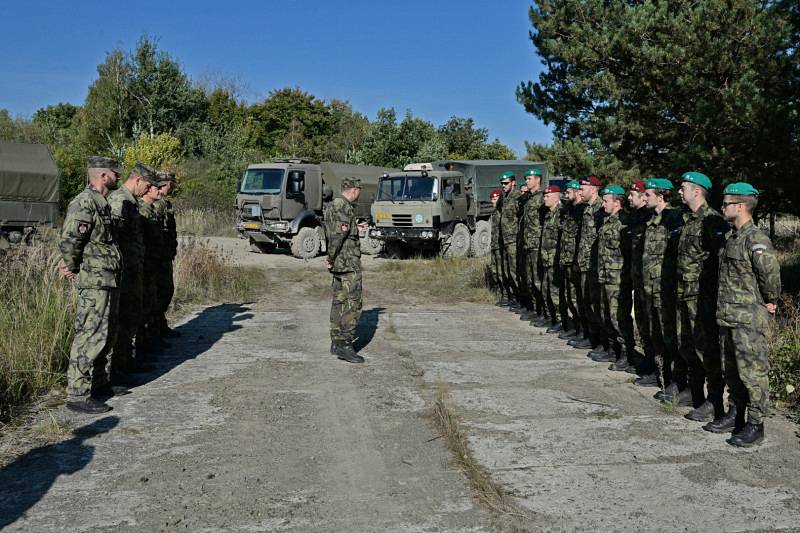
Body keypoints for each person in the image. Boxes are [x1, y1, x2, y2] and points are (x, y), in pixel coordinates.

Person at [705, 182, 780, 447]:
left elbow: (770, 278)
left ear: (740, 206)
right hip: (727, 315)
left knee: (753, 373)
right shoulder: (730, 238)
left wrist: (770, 301)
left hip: (748, 319)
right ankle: (736, 413)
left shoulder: (756, 239)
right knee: (732, 372)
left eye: (725, 204)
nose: (722, 208)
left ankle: (756, 424)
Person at [58, 157, 123, 414]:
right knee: (90, 334)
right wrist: (72, 268)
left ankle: (99, 383)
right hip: (94, 280)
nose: (119, 177)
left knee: (106, 333)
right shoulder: (84, 202)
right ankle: (77, 392)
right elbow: (70, 240)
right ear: (103, 176)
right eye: (115, 174)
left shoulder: (102, 204)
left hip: (107, 278)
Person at [675, 172, 728, 422]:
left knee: (705, 349)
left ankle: (714, 400)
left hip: (702, 296)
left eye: (683, 187)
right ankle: (693, 391)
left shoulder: (712, 220)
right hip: (684, 293)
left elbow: (721, 261)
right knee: (686, 344)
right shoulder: (688, 219)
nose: (678, 191)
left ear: (697, 191)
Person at [107, 162, 160, 381]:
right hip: (124, 270)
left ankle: (126, 363)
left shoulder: (131, 201)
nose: (148, 190)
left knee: (131, 317)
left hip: (133, 268)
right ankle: (118, 371)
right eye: (146, 185)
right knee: (123, 319)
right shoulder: (120, 200)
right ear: (137, 180)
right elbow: (114, 238)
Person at [638, 179, 685, 397]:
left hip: (666, 290)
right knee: (655, 334)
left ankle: (677, 380)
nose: (644, 197)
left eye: (647, 194)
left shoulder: (674, 219)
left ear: (661, 196)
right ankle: (661, 374)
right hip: (650, 288)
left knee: (670, 337)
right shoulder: (653, 219)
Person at [325, 177, 368, 364]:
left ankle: (336, 341)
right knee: (353, 303)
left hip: (339, 264)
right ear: (353, 190)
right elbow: (338, 235)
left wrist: (355, 228)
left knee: (339, 300)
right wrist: (331, 257)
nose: (359, 193)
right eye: (359, 190)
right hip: (347, 263)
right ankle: (346, 344)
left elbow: (340, 229)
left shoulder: (334, 205)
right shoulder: (342, 206)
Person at [593, 184, 636, 367]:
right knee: (606, 315)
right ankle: (613, 350)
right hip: (605, 275)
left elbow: (628, 253)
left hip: (618, 278)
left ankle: (627, 353)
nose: (603, 205)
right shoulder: (606, 221)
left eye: (606, 201)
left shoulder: (624, 222)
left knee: (618, 317)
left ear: (617, 202)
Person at [621, 180, 655, 374]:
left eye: (633, 194)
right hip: (636, 277)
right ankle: (646, 361)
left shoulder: (653, 218)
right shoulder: (634, 218)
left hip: (652, 282)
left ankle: (655, 366)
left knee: (653, 327)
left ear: (643, 196)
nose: (629, 198)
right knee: (642, 322)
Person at [570, 175, 605, 350]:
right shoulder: (586, 209)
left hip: (594, 266)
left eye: (583, 188)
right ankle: (589, 335)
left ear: (594, 189)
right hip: (583, 263)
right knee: (584, 302)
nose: (579, 191)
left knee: (594, 304)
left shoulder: (601, 208)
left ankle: (599, 340)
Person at [137, 175, 166, 352]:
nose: (160, 191)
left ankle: (148, 342)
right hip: (144, 265)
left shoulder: (152, 210)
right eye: (157, 188)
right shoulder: (141, 210)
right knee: (142, 307)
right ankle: (141, 347)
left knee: (151, 303)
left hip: (152, 264)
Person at [153, 172, 179, 338]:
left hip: (165, 254)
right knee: (161, 292)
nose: (173, 186)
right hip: (158, 256)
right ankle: (155, 329)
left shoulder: (165, 203)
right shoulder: (157, 203)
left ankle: (160, 326)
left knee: (166, 290)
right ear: (166, 183)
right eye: (172, 183)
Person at [518, 169, 545, 322]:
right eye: (526, 179)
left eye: (529, 179)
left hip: (537, 245)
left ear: (537, 180)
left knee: (537, 280)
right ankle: (534, 309)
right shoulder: (529, 198)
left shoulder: (541, 198)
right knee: (529, 279)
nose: (526, 181)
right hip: (528, 244)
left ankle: (543, 312)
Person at [558, 179, 583, 340]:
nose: (565, 195)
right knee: (570, 297)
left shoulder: (582, 211)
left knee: (578, 299)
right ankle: (577, 329)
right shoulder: (569, 209)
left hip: (577, 262)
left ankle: (584, 332)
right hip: (567, 259)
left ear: (577, 192)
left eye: (568, 192)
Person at [539, 185, 565, 331]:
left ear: (556, 197)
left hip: (555, 259)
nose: (545, 198)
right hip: (546, 259)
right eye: (544, 196)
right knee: (546, 290)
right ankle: (551, 318)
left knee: (555, 293)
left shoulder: (560, 214)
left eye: (548, 196)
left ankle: (561, 322)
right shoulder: (548, 214)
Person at [498, 171, 522, 308]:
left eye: (506, 183)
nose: (503, 186)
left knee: (515, 271)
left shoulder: (517, 197)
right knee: (508, 271)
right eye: (502, 183)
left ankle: (521, 300)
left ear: (513, 183)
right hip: (505, 239)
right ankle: (513, 297)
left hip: (513, 240)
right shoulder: (505, 198)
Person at [488, 189, 504, 299]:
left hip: (501, 246)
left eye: (495, 199)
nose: (493, 201)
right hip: (494, 245)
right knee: (495, 270)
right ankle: (499, 292)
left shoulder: (502, 212)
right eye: (492, 199)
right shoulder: (494, 213)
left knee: (501, 271)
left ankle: (506, 294)